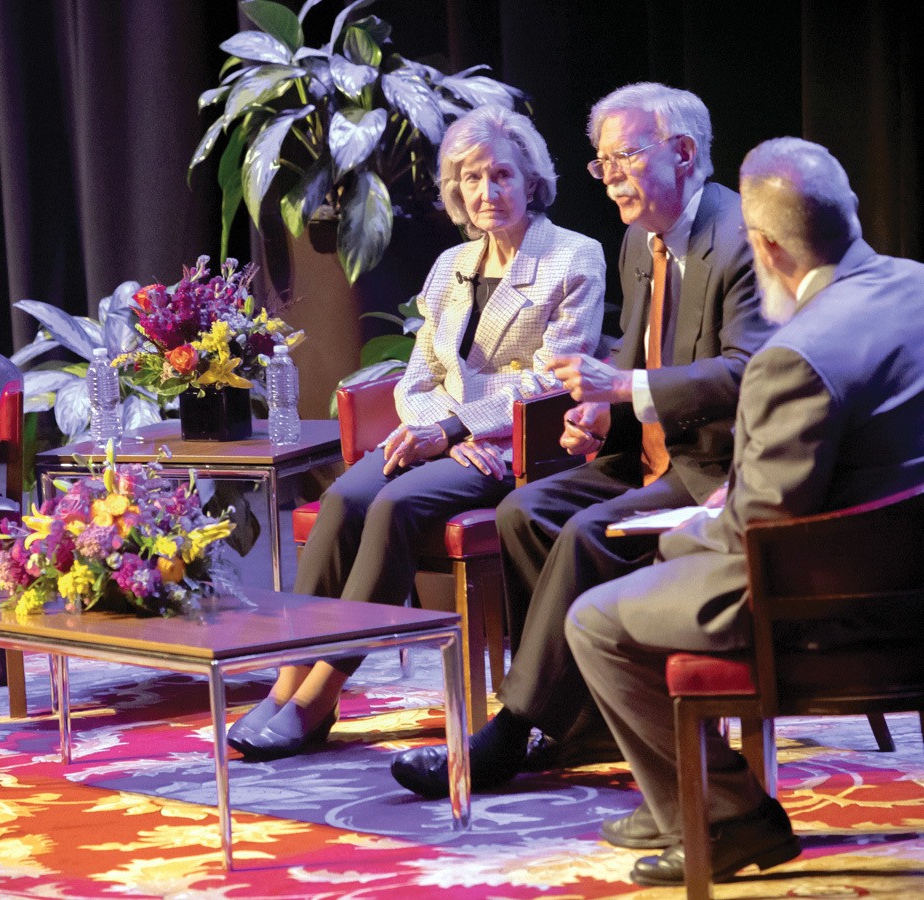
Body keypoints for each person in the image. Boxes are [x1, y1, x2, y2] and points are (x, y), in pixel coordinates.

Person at [392, 83, 776, 800]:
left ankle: (514, 729)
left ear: (683, 154)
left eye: (624, 158)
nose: (610, 179)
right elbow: (633, 355)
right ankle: (593, 716)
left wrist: (622, 391)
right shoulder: (640, 241)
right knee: (524, 512)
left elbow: (745, 370)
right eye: (602, 164)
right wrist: (602, 412)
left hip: (715, 466)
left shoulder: (737, 239)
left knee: (584, 536)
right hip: (649, 453)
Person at [565, 137, 924, 887]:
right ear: (849, 211)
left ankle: (727, 816)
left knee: (596, 618)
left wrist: (684, 533)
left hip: (835, 602)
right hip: (905, 566)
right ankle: (704, 801)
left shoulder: (796, 353)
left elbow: (754, 532)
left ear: (764, 247)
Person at [227, 104, 606, 761]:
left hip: (516, 447)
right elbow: (414, 381)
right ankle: (290, 677)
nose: (487, 192)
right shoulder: (451, 267)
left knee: (396, 507)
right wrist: (440, 428)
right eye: (470, 180)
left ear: (532, 180)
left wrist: (462, 425)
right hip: (448, 438)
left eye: (501, 176)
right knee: (345, 498)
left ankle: (320, 694)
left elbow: (551, 380)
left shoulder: (574, 258)